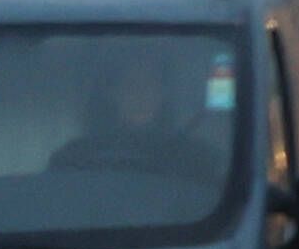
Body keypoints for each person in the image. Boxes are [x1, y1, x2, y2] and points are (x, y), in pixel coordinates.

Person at [49, 48, 219, 181]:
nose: (140, 95)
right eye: (130, 86)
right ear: (112, 94)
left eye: (150, 85)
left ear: (164, 93)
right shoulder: (74, 159)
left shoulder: (196, 160)